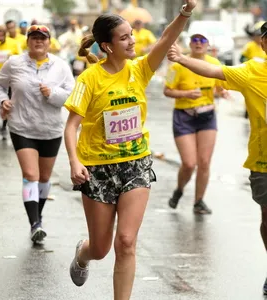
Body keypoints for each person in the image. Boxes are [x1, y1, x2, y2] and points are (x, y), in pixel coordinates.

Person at [64, 1, 197, 298]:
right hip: (97, 168)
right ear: (107, 46)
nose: (132, 40)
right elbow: (71, 126)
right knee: (100, 249)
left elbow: (165, 39)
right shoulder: (90, 79)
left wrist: (185, 12)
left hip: (135, 164)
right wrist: (74, 162)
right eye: (123, 38)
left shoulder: (140, 70)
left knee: (125, 241)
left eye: (131, 35)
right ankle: (83, 254)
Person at [167, 20, 267, 296]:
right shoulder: (252, 70)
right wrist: (181, 59)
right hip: (263, 161)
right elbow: (213, 70)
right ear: (263, 44)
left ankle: (198, 199)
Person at [0, 25, 74, 242]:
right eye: (34, 38)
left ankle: (37, 214)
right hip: (22, 126)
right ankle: (35, 223)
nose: (38, 42)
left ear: (49, 42)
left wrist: (53, 93)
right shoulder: (14, 63)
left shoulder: (61, 66)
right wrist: (2, 101)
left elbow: (72, 96)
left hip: (50, 128)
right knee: (31, 175)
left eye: (43, 39)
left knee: (44, 178)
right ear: (27, 41)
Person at [164, 30, 228, 214]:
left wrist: (222, 93)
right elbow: (167, 90)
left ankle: (198, 201)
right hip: (184, 116)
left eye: (202, 40)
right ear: (190, 43)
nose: (198, 43)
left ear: (208, 44)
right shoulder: (177, 65)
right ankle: (179, 190)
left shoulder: (215, 64)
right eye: (194, 39)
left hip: (207, 116)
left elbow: (219, 88)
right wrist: (186, 94)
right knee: (189, 163)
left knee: (204, 162)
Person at [0, 25, 21, 140]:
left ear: (5, 34)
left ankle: (4, 128)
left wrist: (10, 57)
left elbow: (19, 57)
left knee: (8, 103)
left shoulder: (13, 43)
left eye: (1, 35)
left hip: (9, 80)